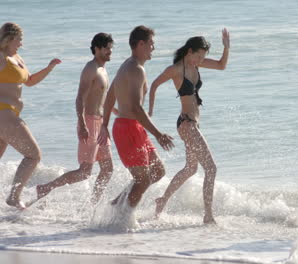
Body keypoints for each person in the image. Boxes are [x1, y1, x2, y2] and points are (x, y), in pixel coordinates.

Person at [148, 29, 229, 224]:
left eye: (203, 57)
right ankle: (208, 215)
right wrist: (150, 111)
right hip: (186, 124)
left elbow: (221, 65)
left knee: (191, 169)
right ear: (189, 51)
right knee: (211, 168)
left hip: (193, 125)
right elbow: (154, 85)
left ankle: (162, 201)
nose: (199, 60)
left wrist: (226, 47)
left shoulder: (197, 65)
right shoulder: (176, 69)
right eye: (198, 55)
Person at [97, 25, 174, 210]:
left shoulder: (128, 65)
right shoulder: (136, 69)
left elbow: (109, 97)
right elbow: (136, 107)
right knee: (143, 179)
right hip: (127, 128)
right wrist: (158, 134)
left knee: (157, 171)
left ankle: (117, 204)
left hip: (132, 126)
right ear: (141, 44)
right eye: (151, 44)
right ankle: (122, 218)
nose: (153, 48)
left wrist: (105, 124)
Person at [35, 33, 115, 205]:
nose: (110, 51)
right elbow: (80, 98)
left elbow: (102, 97)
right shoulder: (90, 69)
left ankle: (94, 205)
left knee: (108, 169)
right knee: (85, 172)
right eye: (107, 48)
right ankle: (46, 187)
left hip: (100, 124)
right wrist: (82, 123)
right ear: (97, 49)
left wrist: (116, 112)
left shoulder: (103, 69)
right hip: (89, 122)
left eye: (111, 48)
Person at [0, 22, 61, 209]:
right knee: (33, 155)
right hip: (4, 113)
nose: (21, 43)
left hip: (9, 114)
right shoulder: (0, 58)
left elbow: (30, 81)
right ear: (9, 38)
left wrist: (49, 68)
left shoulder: (17, 58)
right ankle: (14, 196)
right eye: (19, 39)